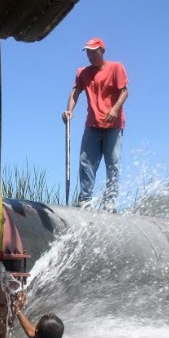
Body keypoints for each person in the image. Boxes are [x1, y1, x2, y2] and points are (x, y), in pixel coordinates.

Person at [62, 37, 129, 212]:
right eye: (88, 52)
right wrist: (69, 111)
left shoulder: (116, 67)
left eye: (93, 51)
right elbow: (75, 92)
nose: (90, 55)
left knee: (112, 163)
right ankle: (85, 199)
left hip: (113, 125)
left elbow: (124, 92)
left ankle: (110, 201)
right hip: (92, 124)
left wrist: (114, 109)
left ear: (102, 51)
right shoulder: (83, 72)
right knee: (86, 162)